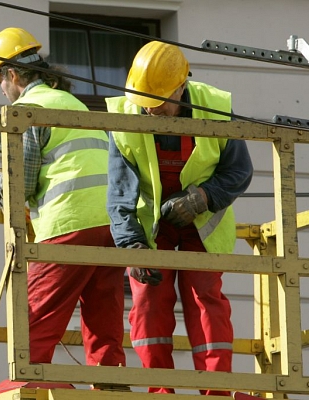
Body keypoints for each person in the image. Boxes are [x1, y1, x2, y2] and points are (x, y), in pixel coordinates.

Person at [0, 27, 127, 390]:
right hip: (110, 227)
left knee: (33, 319)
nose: (3, 93)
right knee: (104, 320)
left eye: (0, 83)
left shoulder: (28, 109)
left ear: (12, 76)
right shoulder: (72, 103)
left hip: (68, 223)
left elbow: (24, 182)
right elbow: (4, 137)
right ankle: (111, 387)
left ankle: (32, 389)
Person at [105, 41, 253, 396]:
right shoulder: (126, 115)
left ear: (180, 88)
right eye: (146, 104)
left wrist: (202, 198)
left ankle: (216, 389)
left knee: (206, 301)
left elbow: (240, 171)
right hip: (152, 230)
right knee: (147, 302)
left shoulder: (215, 107)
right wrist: (132, 245)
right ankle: (160, 389)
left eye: (159, 103)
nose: (151, 112)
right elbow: (119, 191)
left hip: (201, 228)